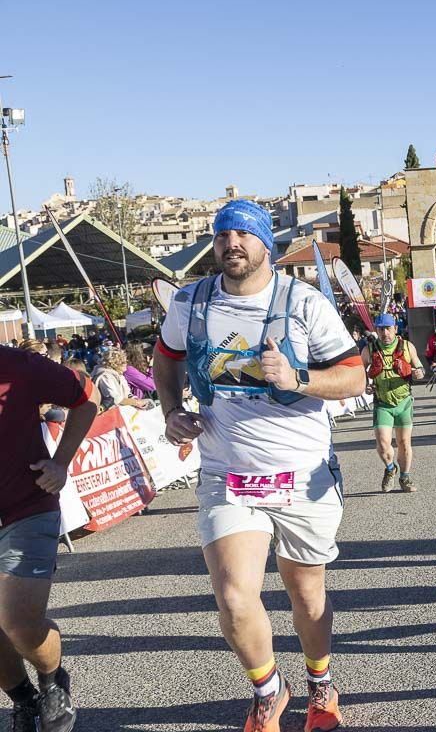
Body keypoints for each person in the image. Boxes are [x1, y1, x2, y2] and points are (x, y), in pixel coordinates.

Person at [153, 199, 365, 732]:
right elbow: (166, 356)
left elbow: (354, 376)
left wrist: (299, 380)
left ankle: (320, 682)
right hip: (228, 473)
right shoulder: (191, 301)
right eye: (223, 235)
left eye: (244, 235)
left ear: (265, 245)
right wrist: (173, 409)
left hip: (302, 473)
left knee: (306, 593)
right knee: (232, 594)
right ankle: (269, 690)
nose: (232, 244)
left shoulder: (304, 303)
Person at [0, 340, 100, 731]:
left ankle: (52, 678)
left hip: (27, 508)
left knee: (19, 622)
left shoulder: (18, 366)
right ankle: (24, 699)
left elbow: (86, 396)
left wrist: (61, 464)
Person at [366, 314, 425, 493]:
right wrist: (365, 386)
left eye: (388, 329)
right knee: (383, 444)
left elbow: (420, 368)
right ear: (377, 330)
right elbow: (359, 370)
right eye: (381, 329)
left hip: (403, 402)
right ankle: (390, 469)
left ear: (395, 329)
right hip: (382, 403)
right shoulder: (369, 349)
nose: (385, 333)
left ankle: (405, 477)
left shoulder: (407, 347)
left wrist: (418, 373)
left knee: (403, 442)